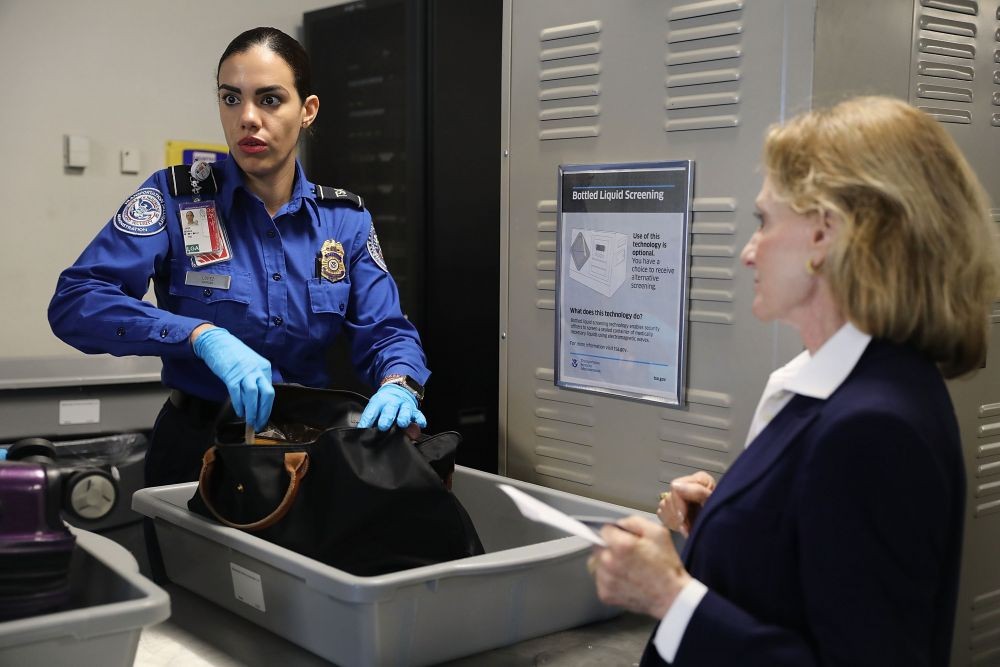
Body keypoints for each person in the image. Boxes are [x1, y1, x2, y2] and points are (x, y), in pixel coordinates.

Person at [588, 96, 999, 666]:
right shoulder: (840, 386)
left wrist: (669, 596)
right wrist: (728, 524)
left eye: (764, 221)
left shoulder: (875, 425)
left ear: (824, 233)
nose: (747, 252)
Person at [48, 27, 429, 490]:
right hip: (197, 450)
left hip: (305, 452)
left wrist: (399, 381)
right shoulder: (176, 198)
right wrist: (201, 336)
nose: (247, 118)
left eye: (269, 99)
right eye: (231, 99)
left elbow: (386, 330)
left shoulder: (343, 220)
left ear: (307, 111)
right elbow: (77, 302)